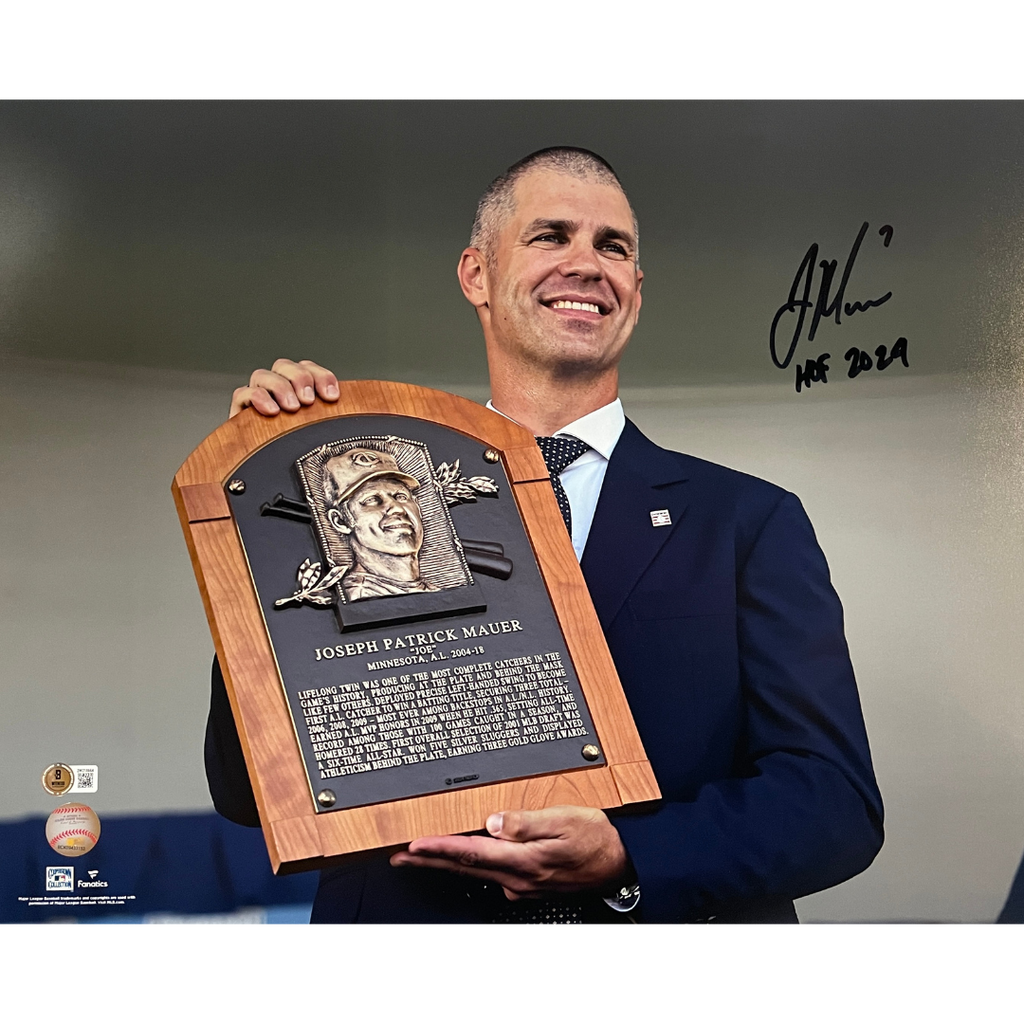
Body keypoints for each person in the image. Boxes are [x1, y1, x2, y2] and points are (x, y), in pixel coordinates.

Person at [206, 147, 884, 926]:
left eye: (614, 247)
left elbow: (834, 804)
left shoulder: (749, 522)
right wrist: (262, 522)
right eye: (550, 236)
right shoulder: (358, 510)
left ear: (635, 289)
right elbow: (245, 793)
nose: (587, 264)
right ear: (476, 276)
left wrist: (631, 857)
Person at [320, 447, 437, 601]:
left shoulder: (433, 590)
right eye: (372, 500)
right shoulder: (358, 597)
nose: (397, 508)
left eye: (401, 496)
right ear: (341, 521)